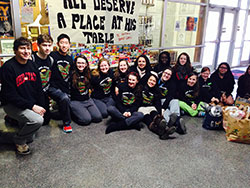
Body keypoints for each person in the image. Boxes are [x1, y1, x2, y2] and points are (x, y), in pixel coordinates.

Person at [0, 37, 45, 155]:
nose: (26, 52)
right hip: (11, 104)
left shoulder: (32, 65)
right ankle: (18, 140)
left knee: (30, 138)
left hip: (26, 103)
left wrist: (41, 105)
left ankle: (13, 120)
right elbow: (10, 95)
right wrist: (32, 106)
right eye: (22, 48)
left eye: (28, 48)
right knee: (37, 121)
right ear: (15, 51)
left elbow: (38, 88)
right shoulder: (7, 68)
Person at [139, 71, 176, 140]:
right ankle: (163, 131)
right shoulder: (141, 88)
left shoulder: (156, 90)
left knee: (156, 116)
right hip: (142, 108)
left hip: (151, 107)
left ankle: (163, 128)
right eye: (150, 80)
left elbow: (158, 103)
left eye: (154, 81)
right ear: (147, 80)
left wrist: (160, 112)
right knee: (148, 118)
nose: (151, 82)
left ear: (156, 83)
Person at [48, 33, 73, 133]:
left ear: (69, 45)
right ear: (58, 44)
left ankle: (56, 113)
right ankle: (67, 124)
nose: (64, 45)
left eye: (66, 43)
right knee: (64, 98)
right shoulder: (52, 56)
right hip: (53, 87)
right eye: (62, 43)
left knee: (68, 107)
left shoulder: (70, 58)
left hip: (65, 88)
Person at [70, 55, 102, 125]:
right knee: (86, 120)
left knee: (98, 118)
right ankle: (72, 114)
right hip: (76, 101)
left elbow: (96, 82)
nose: (81, 65)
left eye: (83, 63)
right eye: (78, 63)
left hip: (87, 100)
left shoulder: (88, 73)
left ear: (86, 64)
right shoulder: (71, 74)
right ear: (75, 63)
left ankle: (82, 111)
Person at [32, 34, 53, 125]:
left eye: (49, 45)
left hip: (44, 93)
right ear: (38, 45)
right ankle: (11, 118)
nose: (47, 48)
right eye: (44, 45)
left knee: (46, 121)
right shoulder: (32, 59)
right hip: (33, 93)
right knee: (36, 120)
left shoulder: (51, 60)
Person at [159, 67, 186, 134]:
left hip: (167, 100)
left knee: (175, 101)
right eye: (165, 73)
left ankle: (174, 120)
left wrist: (164, 107)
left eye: (169, 74)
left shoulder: (172, 83)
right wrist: (162, 108)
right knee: (166, 111)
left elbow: (170, 96)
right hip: (158, 100)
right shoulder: (156, 80)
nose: (166, 75)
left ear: (171, 76)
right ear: (162, 73)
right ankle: (178, 124)